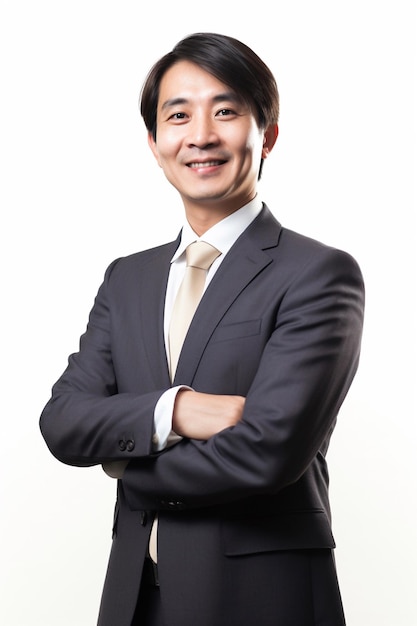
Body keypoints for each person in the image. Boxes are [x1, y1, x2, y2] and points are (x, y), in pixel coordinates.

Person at [40, 32, 365, 626]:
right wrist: (175, 412)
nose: (201, 135)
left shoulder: (318, 274)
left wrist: (126, 463)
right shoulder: (127, 279)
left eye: (225, 111)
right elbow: (63, 421)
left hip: (263, 598)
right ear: (154, 142)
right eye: (178, 115)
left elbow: (268, 453)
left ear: (266, 134)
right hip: (138, 598)